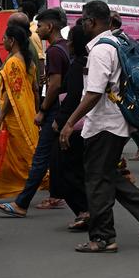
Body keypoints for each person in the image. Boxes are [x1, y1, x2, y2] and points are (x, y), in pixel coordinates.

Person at [59, 0, 139, 253]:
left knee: (96, 181)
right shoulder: (118, 41)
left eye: (83, 20)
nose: (81, 24)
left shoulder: (99, 51)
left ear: (92, 22)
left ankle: (103, 238)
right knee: (105, 175)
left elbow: (94, 92)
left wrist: (69, 123)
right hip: (116, 121)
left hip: (104, 123)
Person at [0, 8, 71, 218]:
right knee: (57, 157)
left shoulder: (54, 51)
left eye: (39, 25)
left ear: (50, 27)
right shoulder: (63, 48)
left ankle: (22, 203)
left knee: (39, 157)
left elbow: (53, 86)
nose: (36, 30)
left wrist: (42, 110)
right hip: (62, 109)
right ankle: (74, 204)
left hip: (54, 109)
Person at [0, 25, 40, 203]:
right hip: (26, 114)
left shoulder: (13, 62)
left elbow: (11, 95)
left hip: (15, 118)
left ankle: (52, 184)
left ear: (12, 41)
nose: (3, 41)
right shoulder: (26, 61)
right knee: (4, 156)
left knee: (27, 158)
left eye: (5, 38)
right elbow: (35, 89)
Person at [51, 24, 92, 231]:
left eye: (70, 41)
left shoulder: (78, 65)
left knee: (67, 171)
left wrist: (61, 121)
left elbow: (74, 97)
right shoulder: (86, 60)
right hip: (82, 124)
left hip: (74, 126)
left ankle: (85, 211)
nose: (68, 44)